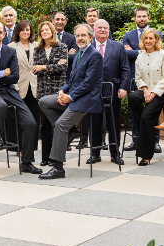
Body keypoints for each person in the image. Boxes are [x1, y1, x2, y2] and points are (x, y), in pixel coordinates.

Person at [0, 21, 42, 174]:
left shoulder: (10, 51)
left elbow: (15, 77)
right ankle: (0, 132)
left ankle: (26, 162)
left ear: (4, 35)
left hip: (9, 91)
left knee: (31, 122)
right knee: (0, 106)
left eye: (0, 32)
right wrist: (2, 73)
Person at [37, 24, 103, 179]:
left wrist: (70, 97)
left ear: (90, 38)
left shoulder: (94, 55)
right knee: (43, 101)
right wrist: (62, 91)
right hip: (74, 95)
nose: (80, 38)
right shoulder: (79, 54)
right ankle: (72, 131)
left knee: (60, 125)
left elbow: (88, 84)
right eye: (78, 36)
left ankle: (58, 168)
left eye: (83, 35)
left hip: (87, 98)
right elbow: (71, 79)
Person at [88, 19, 129, 165]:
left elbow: (125, 69)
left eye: (106, 28)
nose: (103, 30)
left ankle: (115, 153)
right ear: (94, 30)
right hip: (92, 91)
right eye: (100, 28)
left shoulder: (118, 46)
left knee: (113, 122)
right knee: (94, 122)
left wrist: (124, 87)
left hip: (113, 89)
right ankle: (94, 153)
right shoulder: (88, 46)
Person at [128, 29, 164, 166]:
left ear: (156, 40)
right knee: (133, 97)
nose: (147, 41)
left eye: (151, 38)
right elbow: (138, 78)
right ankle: (146, 120)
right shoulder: (140, 56)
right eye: (145, 38)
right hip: (146, 90)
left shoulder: (163, 54)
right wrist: (145, 90)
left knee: (147, 117)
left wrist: (153, 93)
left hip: (162, 91)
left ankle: (146, 156)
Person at [122, 7, 162, 153]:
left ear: (148, 18)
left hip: (153, 79)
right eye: (139, 16)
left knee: (153, 111)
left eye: (144, 16)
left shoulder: (157, 34)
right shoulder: (128, 34)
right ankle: (136, 140)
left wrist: (134, 51)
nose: (141, 19)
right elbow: (125, 53)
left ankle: (155, 141)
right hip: (136, 79)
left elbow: (156, 51)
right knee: (135, 111)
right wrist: (142, 51)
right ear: (135, 19)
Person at [33, 20, 69, 166]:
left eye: (47, 29)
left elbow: (64, 67)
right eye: (42, 30)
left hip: (57, 91)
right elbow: (35, 69)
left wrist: (44, 67)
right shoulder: (38, 49)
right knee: (45, 125)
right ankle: (45, 158)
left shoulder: (62, 47)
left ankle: (57, 158)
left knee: (57, 124)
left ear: (52, 31)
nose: (45, 32)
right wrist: (50, 66)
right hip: (42, 91)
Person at [11, 20, 41, 151]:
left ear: (31, 32)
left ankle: (31, 148)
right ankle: (20, 148)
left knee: (34, 118)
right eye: (22, 30)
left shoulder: (38, 46)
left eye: (28, 30)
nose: (25, 32)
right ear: (18, 31)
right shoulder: (11, 47)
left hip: (35, 87)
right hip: (19, 86)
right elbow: (9, 68)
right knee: (20, 119)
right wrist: (14, 86)